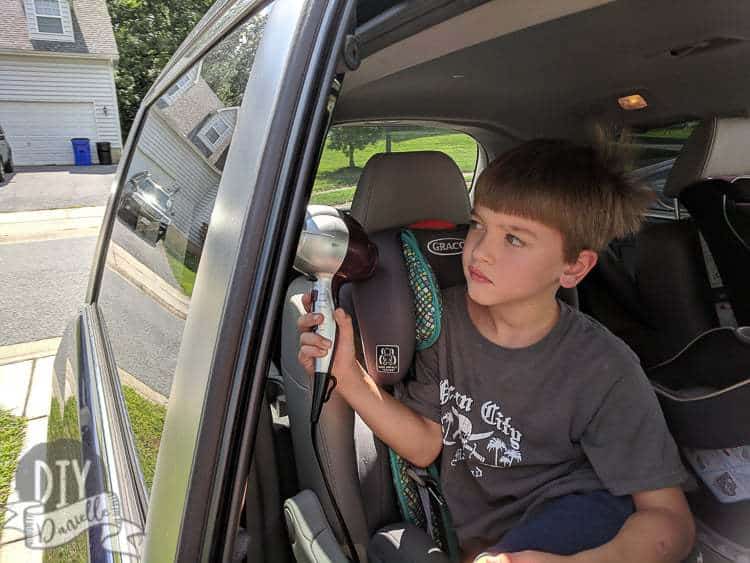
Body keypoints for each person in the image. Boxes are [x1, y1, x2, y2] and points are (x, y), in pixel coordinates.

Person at [297, 139, 695, 563]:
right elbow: (427, 446)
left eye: (515, 240)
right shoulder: (439, 322)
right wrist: (350, 376)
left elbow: (670, 519)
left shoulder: (604, 367)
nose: (481, 250)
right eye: (478, 224)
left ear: (574, 267)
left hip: (583, 521)